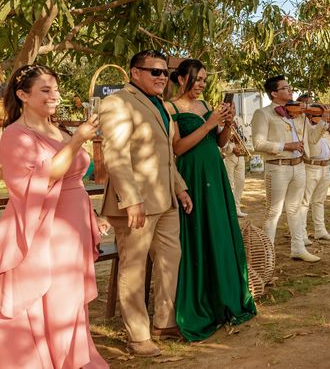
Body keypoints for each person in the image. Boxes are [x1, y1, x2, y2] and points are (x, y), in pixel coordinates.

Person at [0, 64, 110, 368]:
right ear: (22, 95)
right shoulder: (15, 135)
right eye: (45, 90)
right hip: (44, 227)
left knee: (70, 297)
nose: (55, 96)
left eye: (56, 89)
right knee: (53, 296)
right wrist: (77, 141)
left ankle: (71, 358)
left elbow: (74, 179)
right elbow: (42, 179)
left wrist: (92, 214)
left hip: (73, 224)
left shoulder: (58, 129)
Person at [99, 50, 193, 357]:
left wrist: (180, 188)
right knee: (134, 268)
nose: (162, 77)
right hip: (136, 203)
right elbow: (116, 156)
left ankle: (164, 322)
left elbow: (165, 156)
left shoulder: (162, 107)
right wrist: (131, 200)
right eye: (155, 72)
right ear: (134, 72)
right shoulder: (117, 102)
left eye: (165, 72)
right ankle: (137, 336)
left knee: (170, 260)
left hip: (165, 198)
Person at [167, 59, 257, 341]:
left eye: (205, 79)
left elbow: (220, 142)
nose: (202, 84)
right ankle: (201, 301)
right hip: (191, 174)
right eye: (197, 78)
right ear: (181, 79)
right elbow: (178, 147)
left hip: (214, 173)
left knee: (218, 229)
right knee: (198, 232)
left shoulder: (206, 105)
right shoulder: (170, 108)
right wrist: (209, 124)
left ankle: (227, 295)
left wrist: (226, 125)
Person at [250, 76, 319, 262]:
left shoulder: (297, 113)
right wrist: (285, 146)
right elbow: (258, 143)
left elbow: (311, 137)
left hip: (299, 166)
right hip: (277, 167)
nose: (290, 91)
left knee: (295, 209)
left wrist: (322, 120)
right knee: (273, 212)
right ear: (274, 93)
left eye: (290, 87)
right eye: (285, 88)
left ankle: (298, 248)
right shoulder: (262, 113)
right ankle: (267, 256)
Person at [302, 108, 330, 241]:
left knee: (319, 201)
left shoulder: (324, 125)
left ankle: (320, 230)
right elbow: (312, 140)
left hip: (325, 166)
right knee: (304, 202)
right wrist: (322, 122)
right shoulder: (305, 125)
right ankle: (302, 234)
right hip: (311, 166)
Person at [222, 113, 249, 218]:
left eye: (234, 107)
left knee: (240, 182)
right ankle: (229, 209)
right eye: (230, 107)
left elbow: (245, 135)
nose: (232, 110)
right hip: (229, 156)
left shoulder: (239, 120)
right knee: (230, 183)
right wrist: (232, 148)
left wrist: (240, 138)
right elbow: (221, 141)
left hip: (240, 155)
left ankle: (237, 208)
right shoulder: (221, 120)